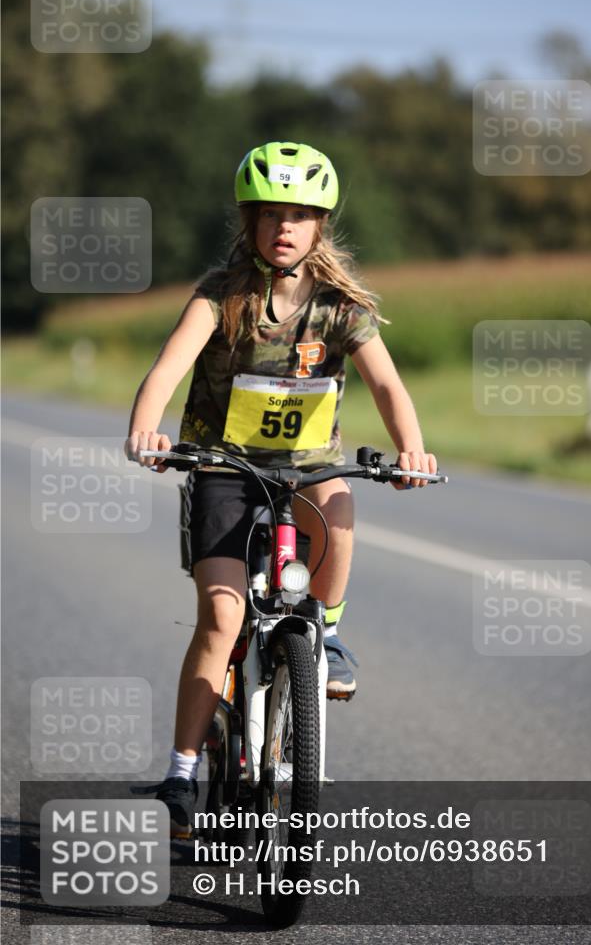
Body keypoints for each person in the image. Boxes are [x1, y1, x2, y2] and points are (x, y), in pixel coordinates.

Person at [125, 141, 437, 836]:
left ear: (320, 225)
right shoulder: (219, 296)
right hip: (223, 467)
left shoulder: (339, 307)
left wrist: (410, 448)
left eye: (300, 215)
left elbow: (386, 383)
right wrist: (145, 430)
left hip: (305, 467)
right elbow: (167, 369)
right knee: (222, 616)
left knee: (339, 500)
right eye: (270, 214)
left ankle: (324, 634)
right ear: (249, 222)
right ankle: (179, 775)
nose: (284, 227)